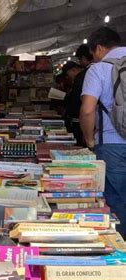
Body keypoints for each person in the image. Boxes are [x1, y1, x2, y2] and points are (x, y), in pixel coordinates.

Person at [80, 26, 126, 236]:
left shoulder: (98, 69)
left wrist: (89, 139)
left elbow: (88, 110)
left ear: (98, 48)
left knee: (116, 199)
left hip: (111, 144)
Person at [62, 61, 86, 146]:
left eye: (68, 75)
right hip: (79, 119)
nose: (69, 78)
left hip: (78, 119)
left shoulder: (80, 79)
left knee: (79, 143)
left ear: (73, 70)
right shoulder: (82, 77)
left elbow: (76, 101)